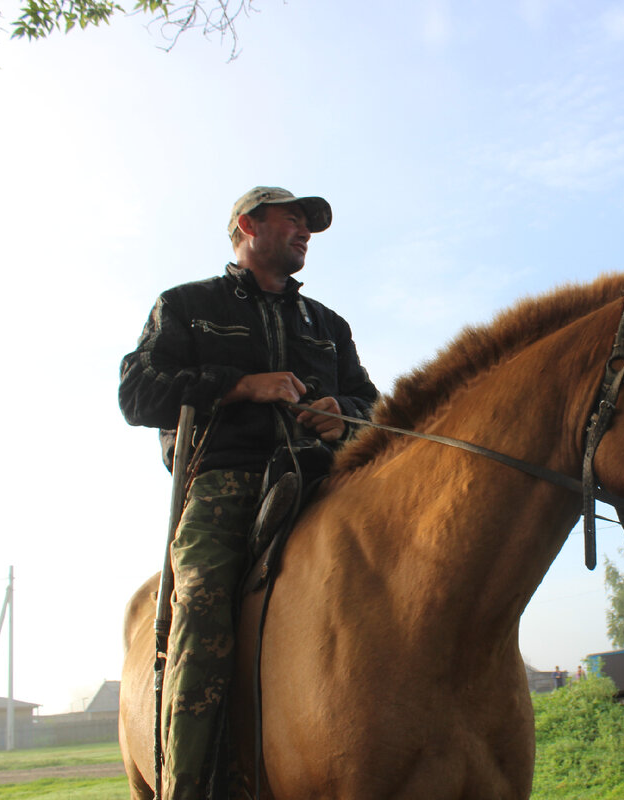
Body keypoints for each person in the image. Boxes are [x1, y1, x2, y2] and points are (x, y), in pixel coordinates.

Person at [119, 186, 378, 799]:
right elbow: (138, 394)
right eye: (293, 219)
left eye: (309, 224)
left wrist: (343, 412)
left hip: (323, 479)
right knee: (204, 601)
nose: (305, 231)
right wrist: (239, 386)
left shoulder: (328, 325)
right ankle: (189, 787)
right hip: (224, 480)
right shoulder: (185, 306)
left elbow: (372, 402)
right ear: (247, 225)